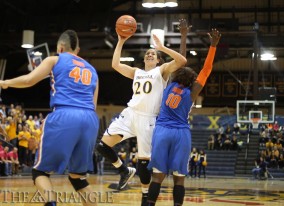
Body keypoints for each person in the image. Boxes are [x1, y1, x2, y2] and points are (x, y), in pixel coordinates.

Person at [0, 30, 99, 206]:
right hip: (90, 119)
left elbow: (29, 80)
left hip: (65, 114)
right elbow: (94, 103)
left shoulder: (55, 59)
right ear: (77, 49)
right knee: (78, 178)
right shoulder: (92, 70)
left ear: (60, 47)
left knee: (40, 173)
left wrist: (6, 83)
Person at [96, 19, 187, 205]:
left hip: (149, 119)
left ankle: (146, 197)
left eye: (153, 54)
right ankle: (123, 171)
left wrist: (161, 47)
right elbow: (115, 64)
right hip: (130, 113)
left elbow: (182, 61)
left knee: (143, 162)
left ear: (158, 59)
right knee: (102, 146)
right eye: (147, 53)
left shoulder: (162, 71)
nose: (150, 55)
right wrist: (121, 41)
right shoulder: (136, 72)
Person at [147, 28, 221, 206]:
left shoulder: (171, 83)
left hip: (162, 130)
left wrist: (183, 35)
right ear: (192, 79)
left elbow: (180, 58)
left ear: (179, 74)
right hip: (181, 133)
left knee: (157, 177)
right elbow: (207, 68)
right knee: (179, 179)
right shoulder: (192, 91)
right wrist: (213, 46)